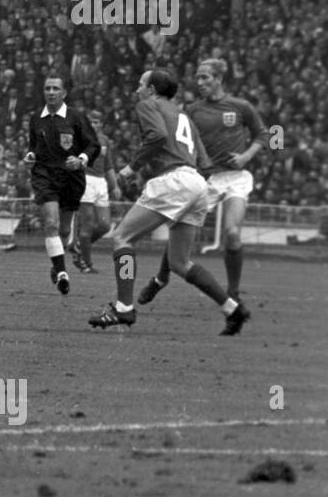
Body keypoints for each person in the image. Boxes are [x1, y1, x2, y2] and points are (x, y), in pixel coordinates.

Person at [88, 69, 250, 335]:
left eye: (140, 84)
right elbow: (205, 162)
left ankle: (124, 308)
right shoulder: (183, 115)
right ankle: (232, 308)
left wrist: (130, 169)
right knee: (179, 262)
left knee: (121, 238)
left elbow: (158, 136)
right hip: (197, 183)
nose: (137, 89)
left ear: (151, 89)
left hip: (174, 180)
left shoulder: (147, 104)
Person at [138, 58, 266, 306]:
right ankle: (160, 279)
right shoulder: (193, 110)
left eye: (205, 77)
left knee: (231, 233)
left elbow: (266, 133)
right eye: (197, 77)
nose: (200, 82)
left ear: (219, 79)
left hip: (235, 179)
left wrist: (246, 156)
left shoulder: (241, 106)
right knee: (178, 227)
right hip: (204, 178)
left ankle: (234, 292)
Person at [20, 76, 100, 294]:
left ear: (64, 93)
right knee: (51, 223)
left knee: (64, 230)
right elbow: (33, 146)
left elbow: (93, 145)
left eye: (56, 88)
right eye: (47, 88)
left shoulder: (76, 117)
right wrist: (30, 155)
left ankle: (56, 264)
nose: (51, 92)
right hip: (44, 174)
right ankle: (63, 273)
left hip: (71, 177)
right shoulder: (37, 118)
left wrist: (81, 159)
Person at [70, 108, 119, 273]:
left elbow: (109, 165)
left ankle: (78, 246)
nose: (93, 124)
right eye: (90, 121)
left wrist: (115, 186)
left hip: (101, 183)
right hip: (85, 181)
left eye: (96, 122)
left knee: (105, 225)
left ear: (101, 124)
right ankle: (86, 263)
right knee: (88, 225)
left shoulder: (105, 140)